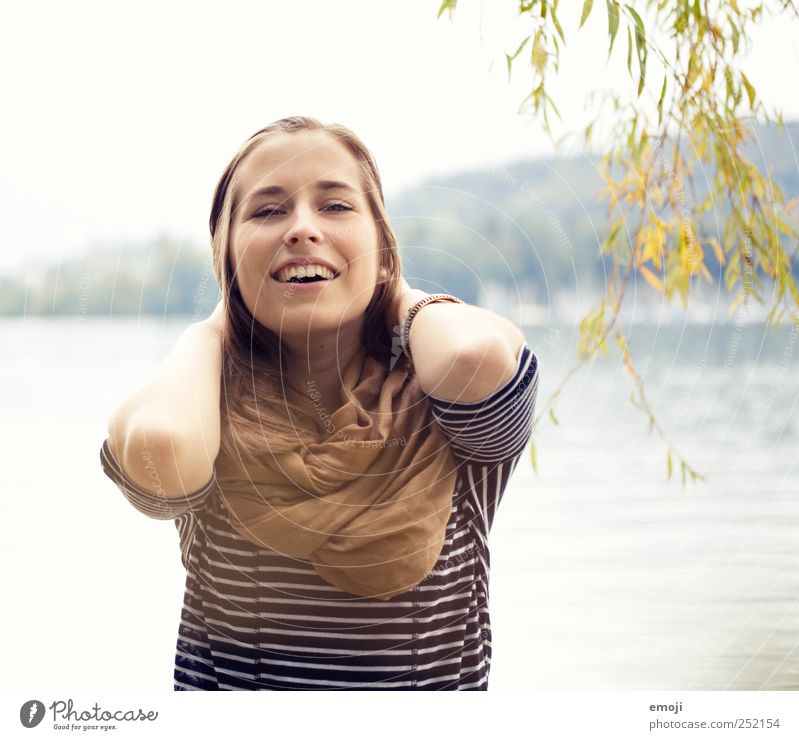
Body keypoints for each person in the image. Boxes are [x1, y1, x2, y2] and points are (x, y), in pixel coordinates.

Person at [100, 115, 539, 690]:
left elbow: (474, 355)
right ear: (227, 261)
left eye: (335, 207)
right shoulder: (206, 407)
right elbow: (164, 448)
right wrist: (211, 329)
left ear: (383, 248)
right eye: (267, 210)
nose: (302, 228)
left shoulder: (444, 403)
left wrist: (396, 289)